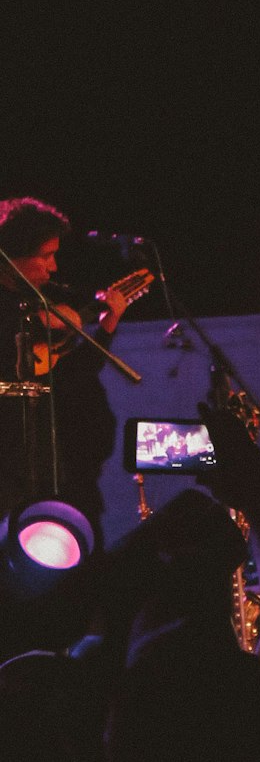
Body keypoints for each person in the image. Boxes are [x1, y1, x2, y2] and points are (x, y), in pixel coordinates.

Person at [0, 196, 129, 544]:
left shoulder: (45, 302)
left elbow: (72, 376)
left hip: (47, 464)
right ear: (12, 257)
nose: (53, 267)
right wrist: (40, 321)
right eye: (45, 256)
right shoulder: (25, 311)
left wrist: (107, 327)